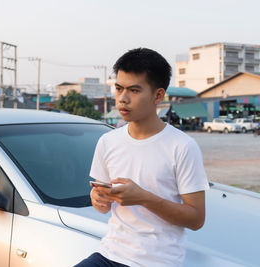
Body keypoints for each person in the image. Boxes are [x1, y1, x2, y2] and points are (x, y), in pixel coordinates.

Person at [75, 48, 209, 267]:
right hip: (109, 254)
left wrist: (143, 197)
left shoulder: (183, 146)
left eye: (134, 90)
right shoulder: (107, 142)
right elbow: (103, 206)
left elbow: (196, 219)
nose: (123, 98)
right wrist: (98, 199)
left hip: (158, 262)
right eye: (118, 88)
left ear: (158, 95)